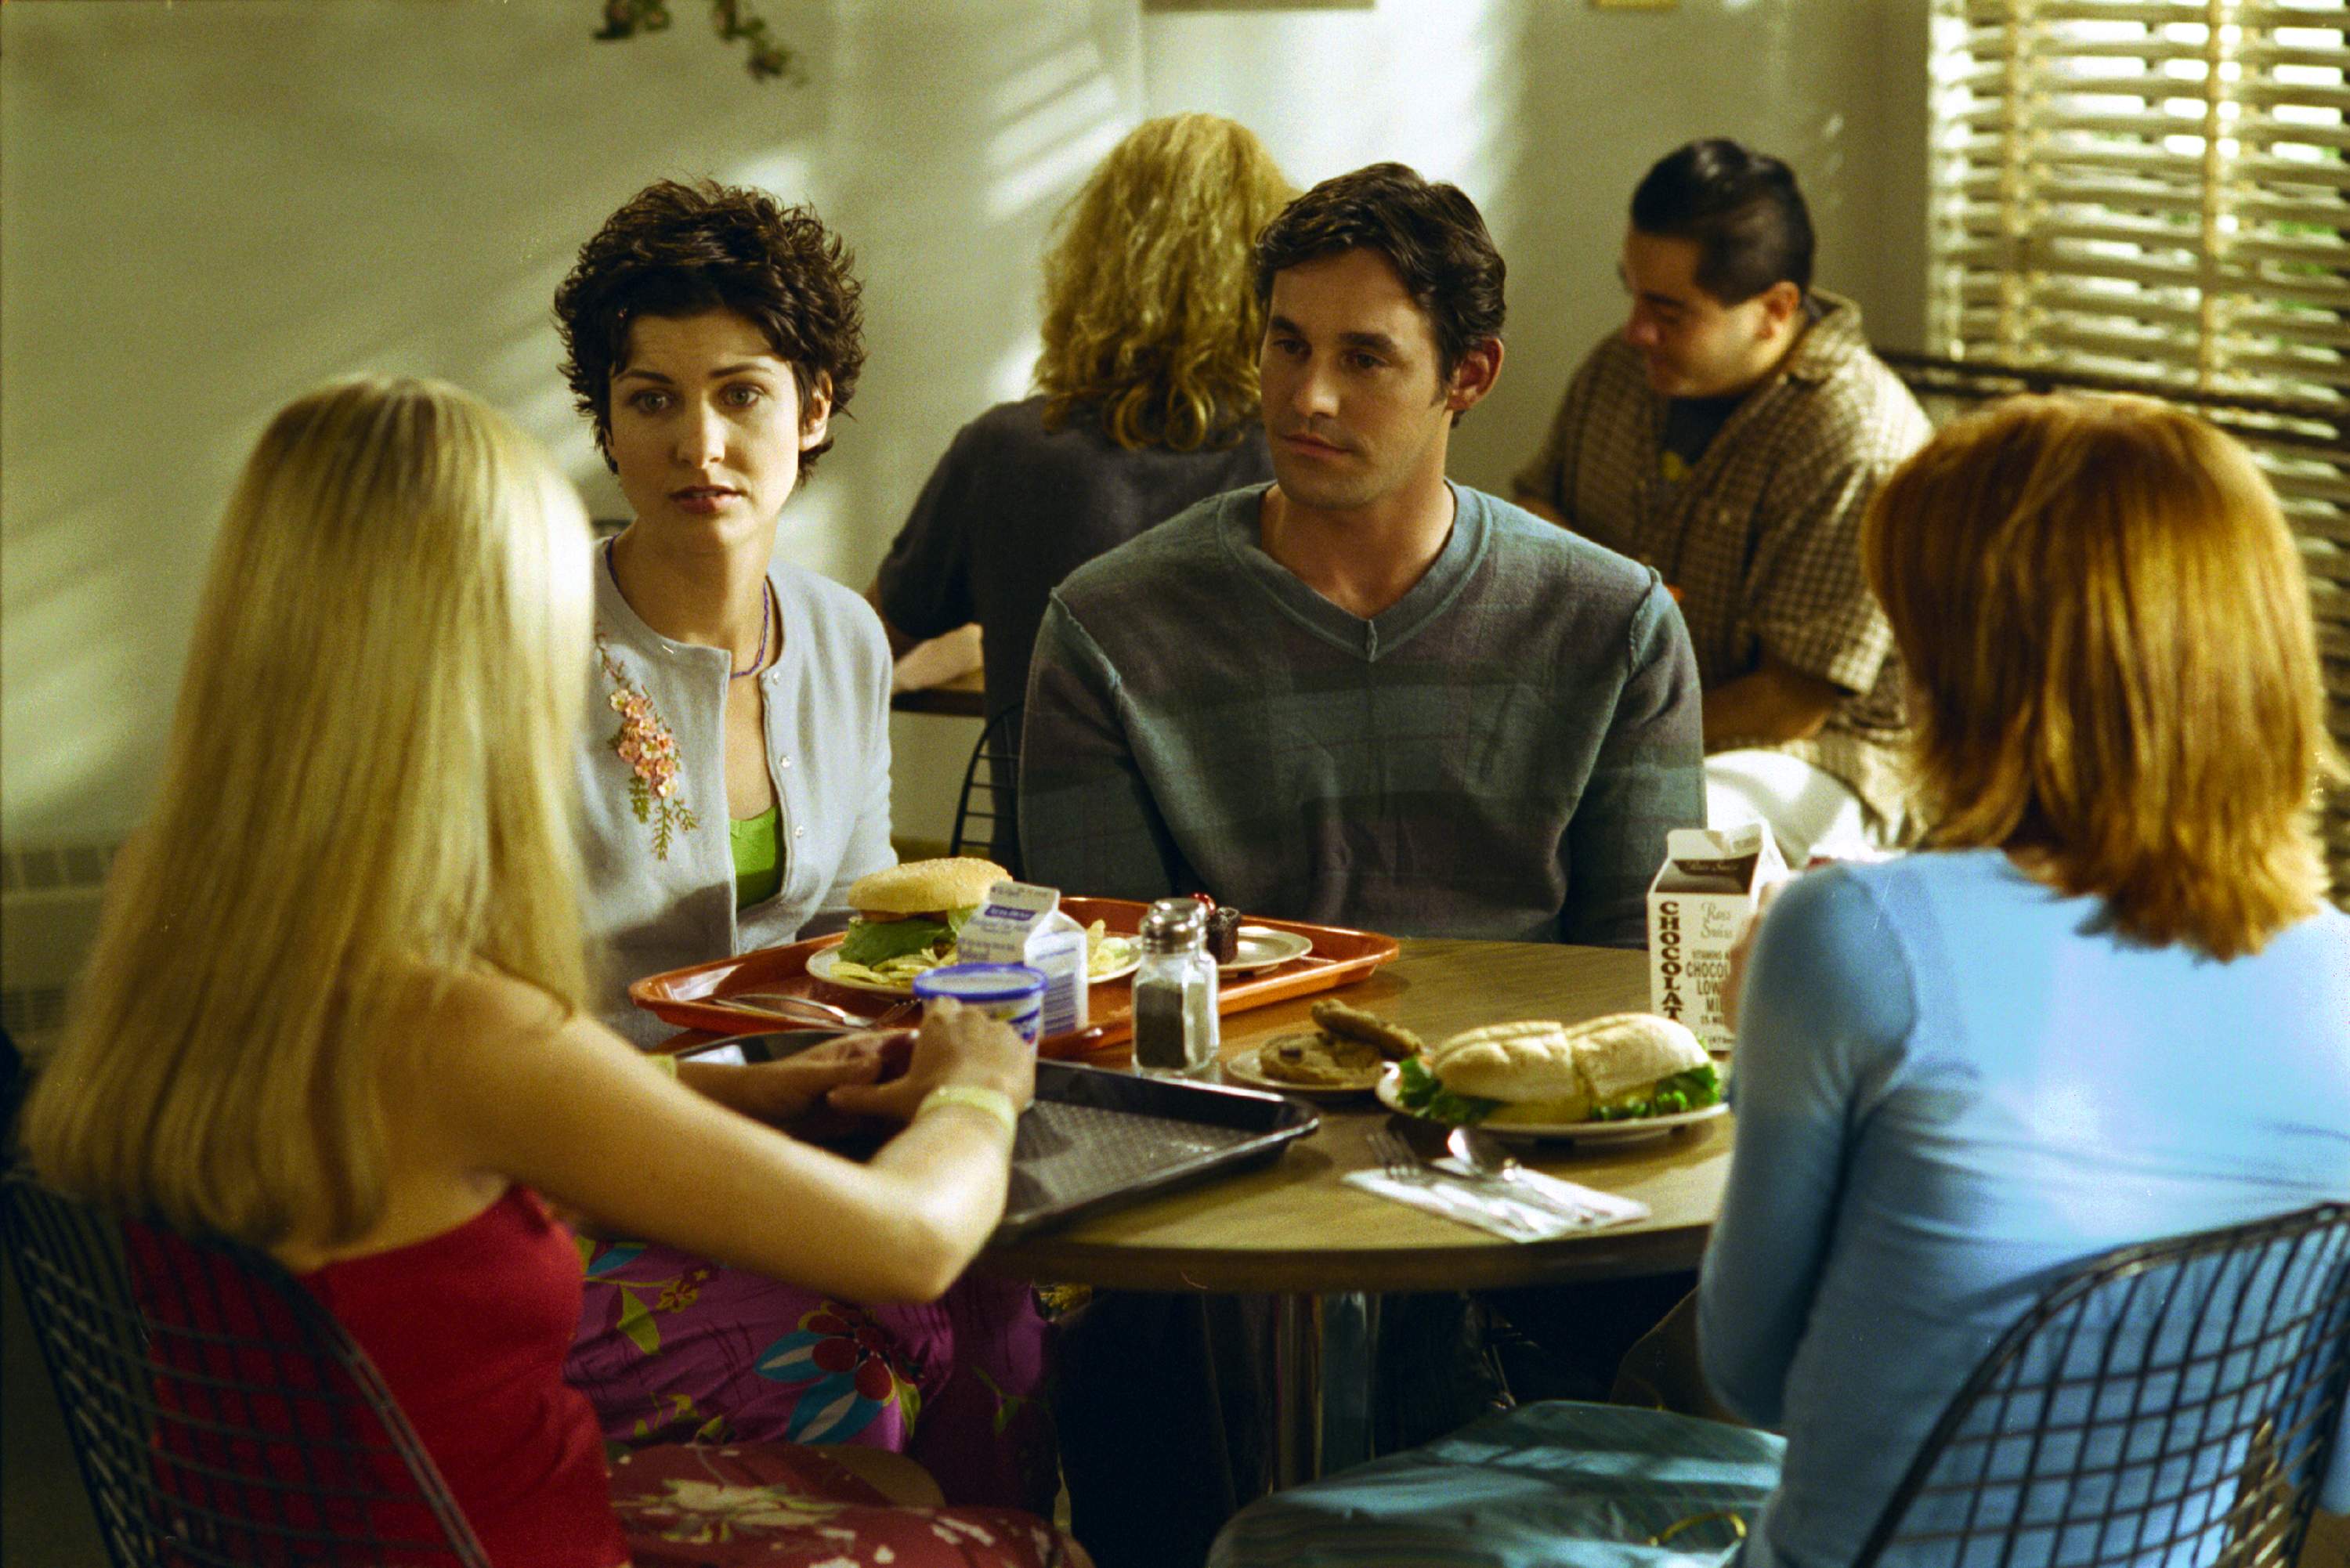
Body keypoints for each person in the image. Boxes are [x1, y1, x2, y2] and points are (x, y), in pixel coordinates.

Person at [1209, 394, 2350, 1567]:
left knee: (1276, 1533)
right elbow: (2340, 1467)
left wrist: (1766, 1038)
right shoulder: (2339, 981)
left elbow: (1748, 1370)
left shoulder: (1860, 934)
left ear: (1986, 671)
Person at [16, 375, 1086, 1568]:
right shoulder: (451, 1020)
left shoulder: (175, 904)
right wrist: (979, 1080)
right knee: (1021, 1541)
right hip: (516, 1544)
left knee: (886, 1476)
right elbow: (913, 1241)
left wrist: (752, 1088)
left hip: (292, 1533)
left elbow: (461, 1139)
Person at [551, 180, 1053, 1513]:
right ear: (607, 420)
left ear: (814, 406)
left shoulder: (842, 634)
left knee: (1002, 1309)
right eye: (651, 398)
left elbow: (853, 933)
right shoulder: (528, 636)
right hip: (586, 1169)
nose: (698, 442)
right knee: (859, 1359)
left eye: (741, 394)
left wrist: (886, 1050)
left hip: (792, 1125)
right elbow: (502, 1026)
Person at [1021, 161, 1704, 948]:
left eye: (1364, 358)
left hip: (1533, 1031)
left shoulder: (1615, 624)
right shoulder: (1109, 628)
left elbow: (1644, 966)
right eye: (1289, 345)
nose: (1309, 397)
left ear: (1469, 375)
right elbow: (1111, 971)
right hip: (1228, 1033)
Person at [869, 113, 1290, 858]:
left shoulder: (1004, 453)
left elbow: (860, 645)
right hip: (1248, 897)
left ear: (1093, 265)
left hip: (1046, 896)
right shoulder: (1294, 465)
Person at [1511, 138, 1929, 863]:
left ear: (1774, 310)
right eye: (1633, 294)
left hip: (1819, 757)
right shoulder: (1621, 370)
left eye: (1670, 312)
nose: (1636, 330)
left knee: (1669, 833)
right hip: (1619, 725)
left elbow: (1791, 702)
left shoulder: (1858, 439)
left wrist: (1598, 740)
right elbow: (1537, 510)